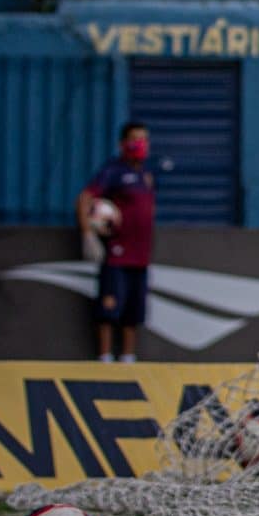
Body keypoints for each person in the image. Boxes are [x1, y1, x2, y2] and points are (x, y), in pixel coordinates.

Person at [74, 120, 157, 364]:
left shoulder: (146, 176)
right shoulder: (113, 171)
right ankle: (105, 356)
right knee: (109, 307)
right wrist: (87, 232)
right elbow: (85, 199)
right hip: (117, 254)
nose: (140, 145)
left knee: (133, 311)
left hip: (140, 255)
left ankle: (128, 357)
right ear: (123, 143)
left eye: (144, 139)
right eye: (135, 139)